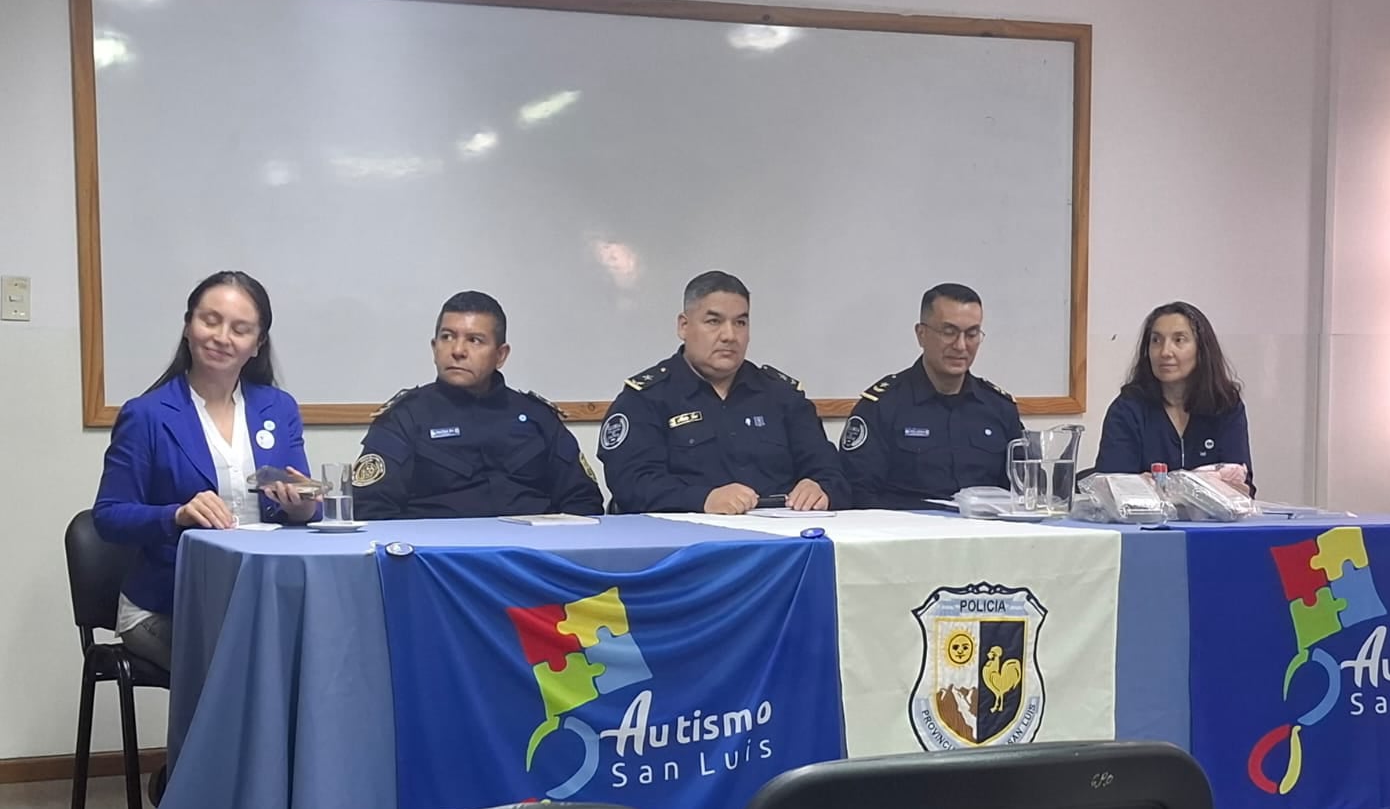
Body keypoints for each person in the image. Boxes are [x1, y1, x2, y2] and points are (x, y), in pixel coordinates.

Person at [94, 271, 317, 671]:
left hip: (260, 597)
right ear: (188, 326)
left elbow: (303, 501)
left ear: (257, 344)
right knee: (251, 667)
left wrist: (302, 508)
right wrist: (176, 514)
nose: (221, 337)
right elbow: (109, 516)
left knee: (320, 650)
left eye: (240, 329)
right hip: (168, 605)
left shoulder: (279, 408)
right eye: (210, 321)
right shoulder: (146, 415)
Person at [600, 270, 848, 514]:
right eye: (714, 322)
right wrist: (703, 499)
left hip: (781, 534)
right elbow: (631, 484)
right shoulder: (646, 398)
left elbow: (832, 473)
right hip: (685, 534)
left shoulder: (782, 396)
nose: (730, 336)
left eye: (740, 323)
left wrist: (820, 488)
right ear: (684, 326)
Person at [353, 291, 602, 520]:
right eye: (447, 337)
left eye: (474, 340)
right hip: (441, 551)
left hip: (534, 551)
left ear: (500, 355)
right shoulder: (404, 419)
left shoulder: (537, 416)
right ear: (434, 348)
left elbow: (583, 502)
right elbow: (372, 509)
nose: (457, 350)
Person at [840, 283, 1024, 509]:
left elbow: (1025, 489)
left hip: (986, 528)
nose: (961, 346)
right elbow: (858, 493)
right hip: (907, 528)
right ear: (921, 335)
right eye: (949, 332)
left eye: (972, 334)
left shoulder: (999, 408)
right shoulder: (882, 406)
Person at [1093, 300, 1254, 493]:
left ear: (1201, 350)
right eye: (1156, 341)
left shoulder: (1225, 406)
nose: (1165, 352)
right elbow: (1112, 488)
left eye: (1179, 340)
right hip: (1145, 514)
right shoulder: (1128, 409)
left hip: (1212, 514)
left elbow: (1241, 487)